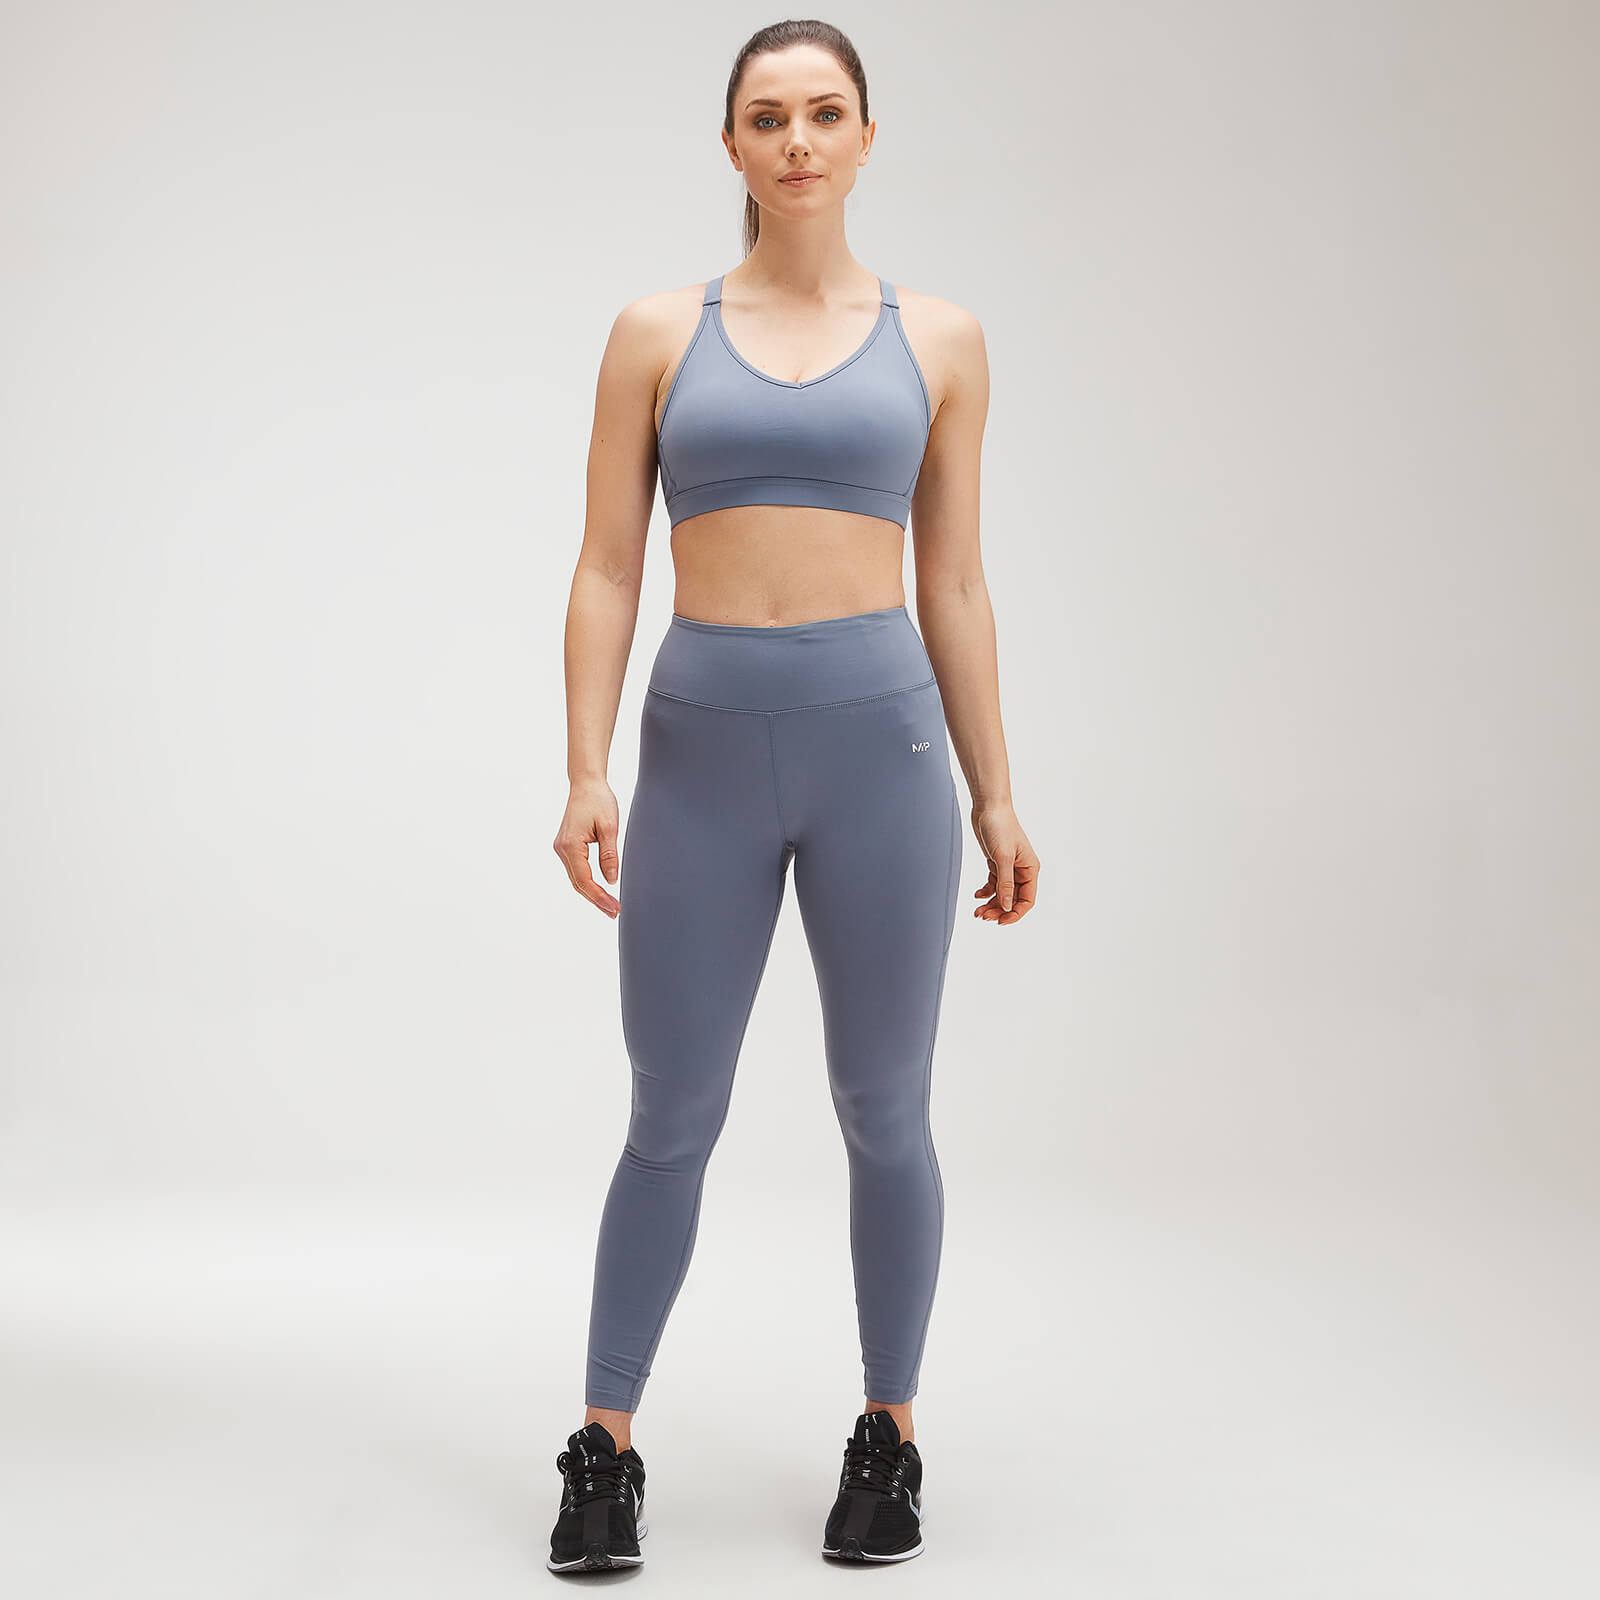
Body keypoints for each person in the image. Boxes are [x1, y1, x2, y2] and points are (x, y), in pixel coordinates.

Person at [545, 19, 1038, 1574]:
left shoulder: (941, 339)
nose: (800, 140)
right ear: (732, 145)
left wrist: (997, 794)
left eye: (827, 114)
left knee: (884, 1106)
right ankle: (605, 1449)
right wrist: (585, 767)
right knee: (671, 1111)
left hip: (881, 756)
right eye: (769, 117)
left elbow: (954, 580)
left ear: (868, 138)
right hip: (699, 756)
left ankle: (890, 1432)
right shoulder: (654, 332)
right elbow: (608, 565)